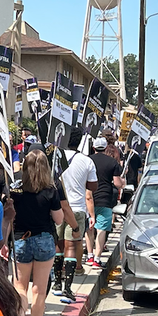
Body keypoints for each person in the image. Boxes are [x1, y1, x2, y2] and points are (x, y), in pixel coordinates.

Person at [10, 150, 64, 316]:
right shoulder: (51, 190)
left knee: (20, 286)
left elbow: (10, 217)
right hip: (43, 240)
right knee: (39, 290)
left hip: (21, 239)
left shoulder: (15, 190)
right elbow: (59, 219)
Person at [55, 129, 99, 303]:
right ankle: (68, 288)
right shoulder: (86, 161)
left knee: (58, 245)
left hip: (57, 207)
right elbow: (93, 186)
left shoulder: (56, 157)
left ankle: (57, 284)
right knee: (72, 246)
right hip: (78, 208)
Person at [86, 138, 124, 267]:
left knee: (89, 228)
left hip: (89, 197)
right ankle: (97, 258)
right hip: (105, 198)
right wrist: (123, 183)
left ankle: (89, 255)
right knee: (101, 229)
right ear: (105, 147)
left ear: (94, 147)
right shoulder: (112, 162)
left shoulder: (87, 160)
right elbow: (117, 183)